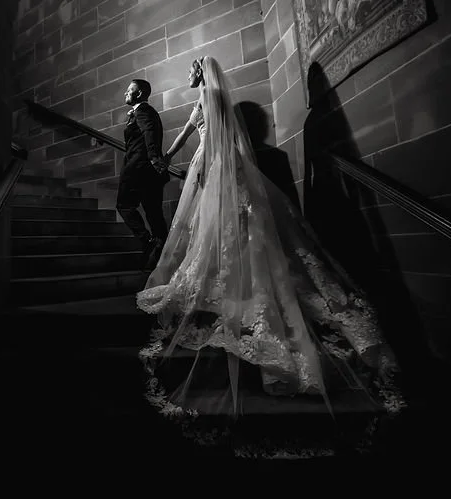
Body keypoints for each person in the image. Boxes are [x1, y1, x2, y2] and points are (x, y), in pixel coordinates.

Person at [136, 56, 404, 450]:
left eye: (193, 69)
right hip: (216, 166)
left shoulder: (208, 94)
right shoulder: (210, 99)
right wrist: (168, 157)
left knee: (225, 234)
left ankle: (236, 292)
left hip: (216, 166)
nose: (190, 75)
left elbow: (210, 137)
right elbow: (193, 132)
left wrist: (197, 167)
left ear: (202, 73)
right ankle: (235, 285)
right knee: (232, 235)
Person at [117, 79, 171, 269]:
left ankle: (148, 241)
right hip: (148, 170)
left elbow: (149, 133)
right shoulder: (142, 112)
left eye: (129, 90)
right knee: (154, 213)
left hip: (138, 168)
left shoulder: (144, 111)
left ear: (139, 94)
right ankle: (164, 256)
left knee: (124, 205)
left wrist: (155, 158)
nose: (125, 93)